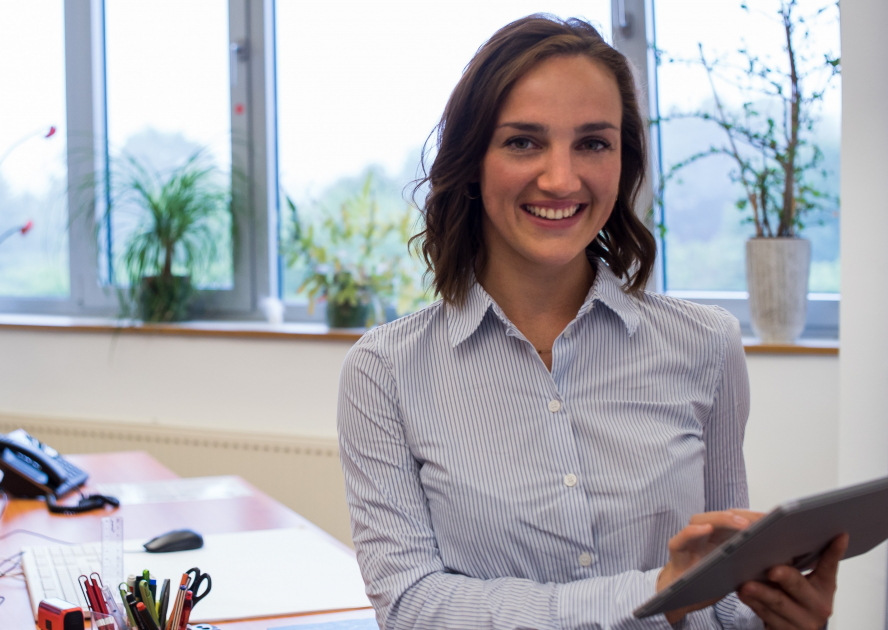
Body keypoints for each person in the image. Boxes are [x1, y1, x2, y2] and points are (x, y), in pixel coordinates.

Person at [336, 15, 845, 629]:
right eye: (523, 142)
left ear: (623, 161)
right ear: (471, 161)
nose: (561, 178)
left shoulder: (706, 344)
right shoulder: (384, 371)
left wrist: (776, 617)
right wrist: (651, 593)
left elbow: (721, 592)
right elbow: (411, 605)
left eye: (593, 143)